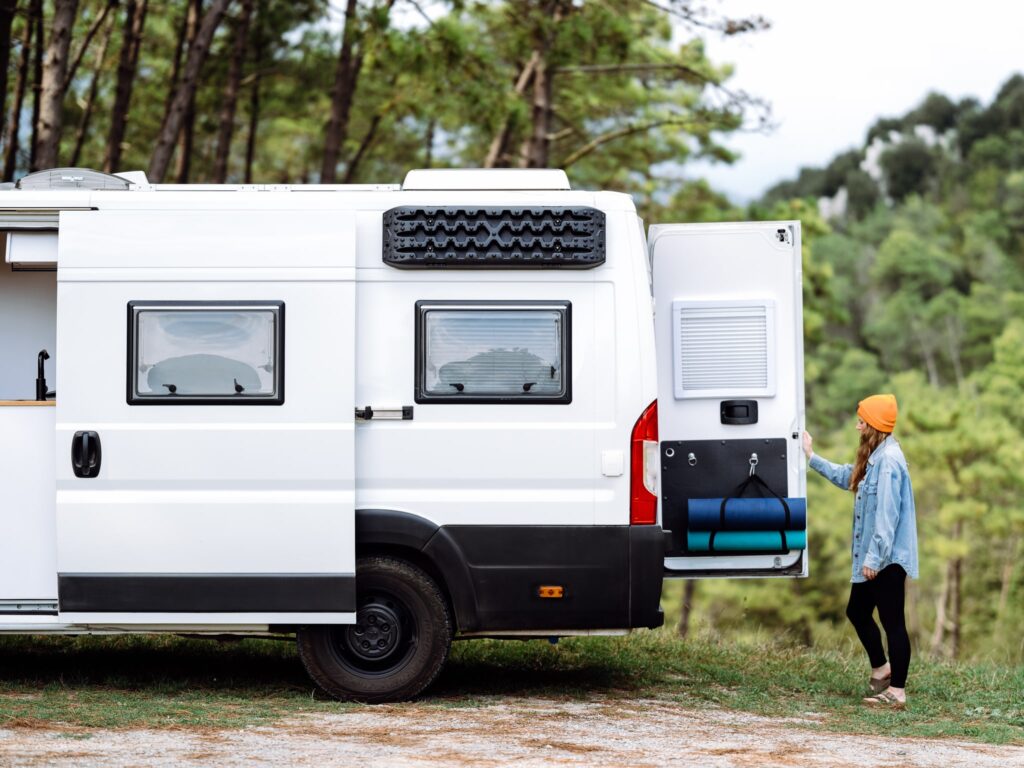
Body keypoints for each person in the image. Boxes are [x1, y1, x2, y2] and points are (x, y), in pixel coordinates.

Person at [802, 394, 919, 709]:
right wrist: (811, 456)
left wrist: (874, 558)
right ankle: (882, 668)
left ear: (875, 426)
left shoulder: (890, 461)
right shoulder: (875, 456)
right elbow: (848, 477)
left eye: (862, 421)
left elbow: (887, 515)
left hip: (886, 559)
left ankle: (897, 692)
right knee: (857, 611)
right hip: (875, 556)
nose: (857, 426)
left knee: (893, 621)